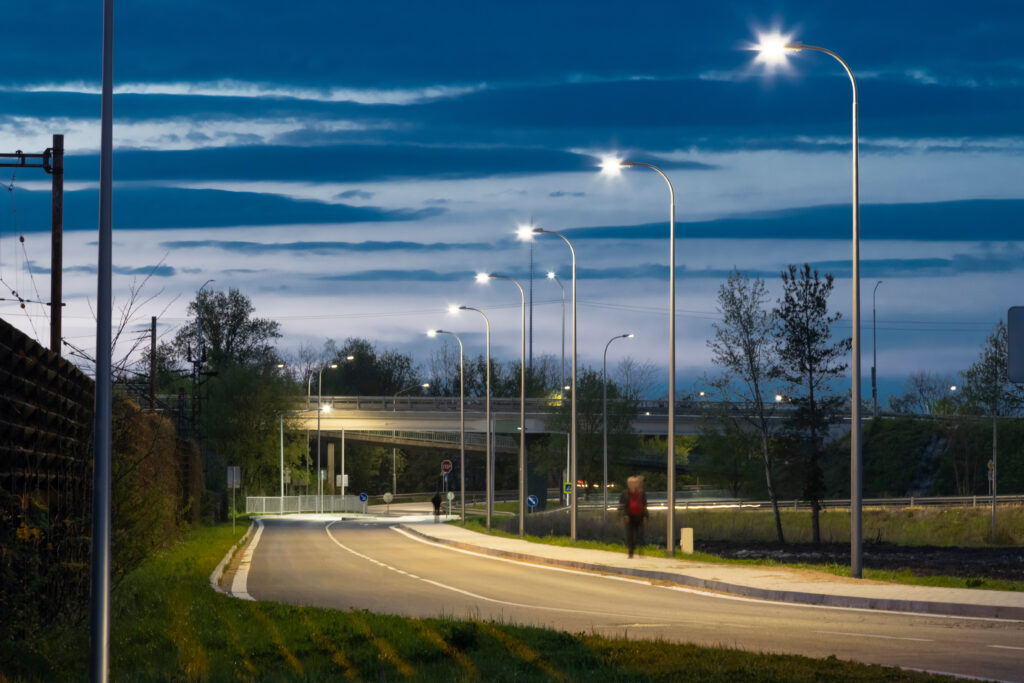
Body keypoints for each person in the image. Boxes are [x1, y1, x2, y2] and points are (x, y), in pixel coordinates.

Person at [618, 475, 648, 558]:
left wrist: (645, 515)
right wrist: (624, 515)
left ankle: (641, 551)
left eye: (634, 483)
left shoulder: (641, 493)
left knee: (640, 534)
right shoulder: (625, 493)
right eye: (630, 483)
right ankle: (631, 552)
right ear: (628, 484)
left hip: (640, 516)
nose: (632, 484)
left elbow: (645, 505)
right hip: (629, 517)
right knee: (630, 535)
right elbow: (621, 506)